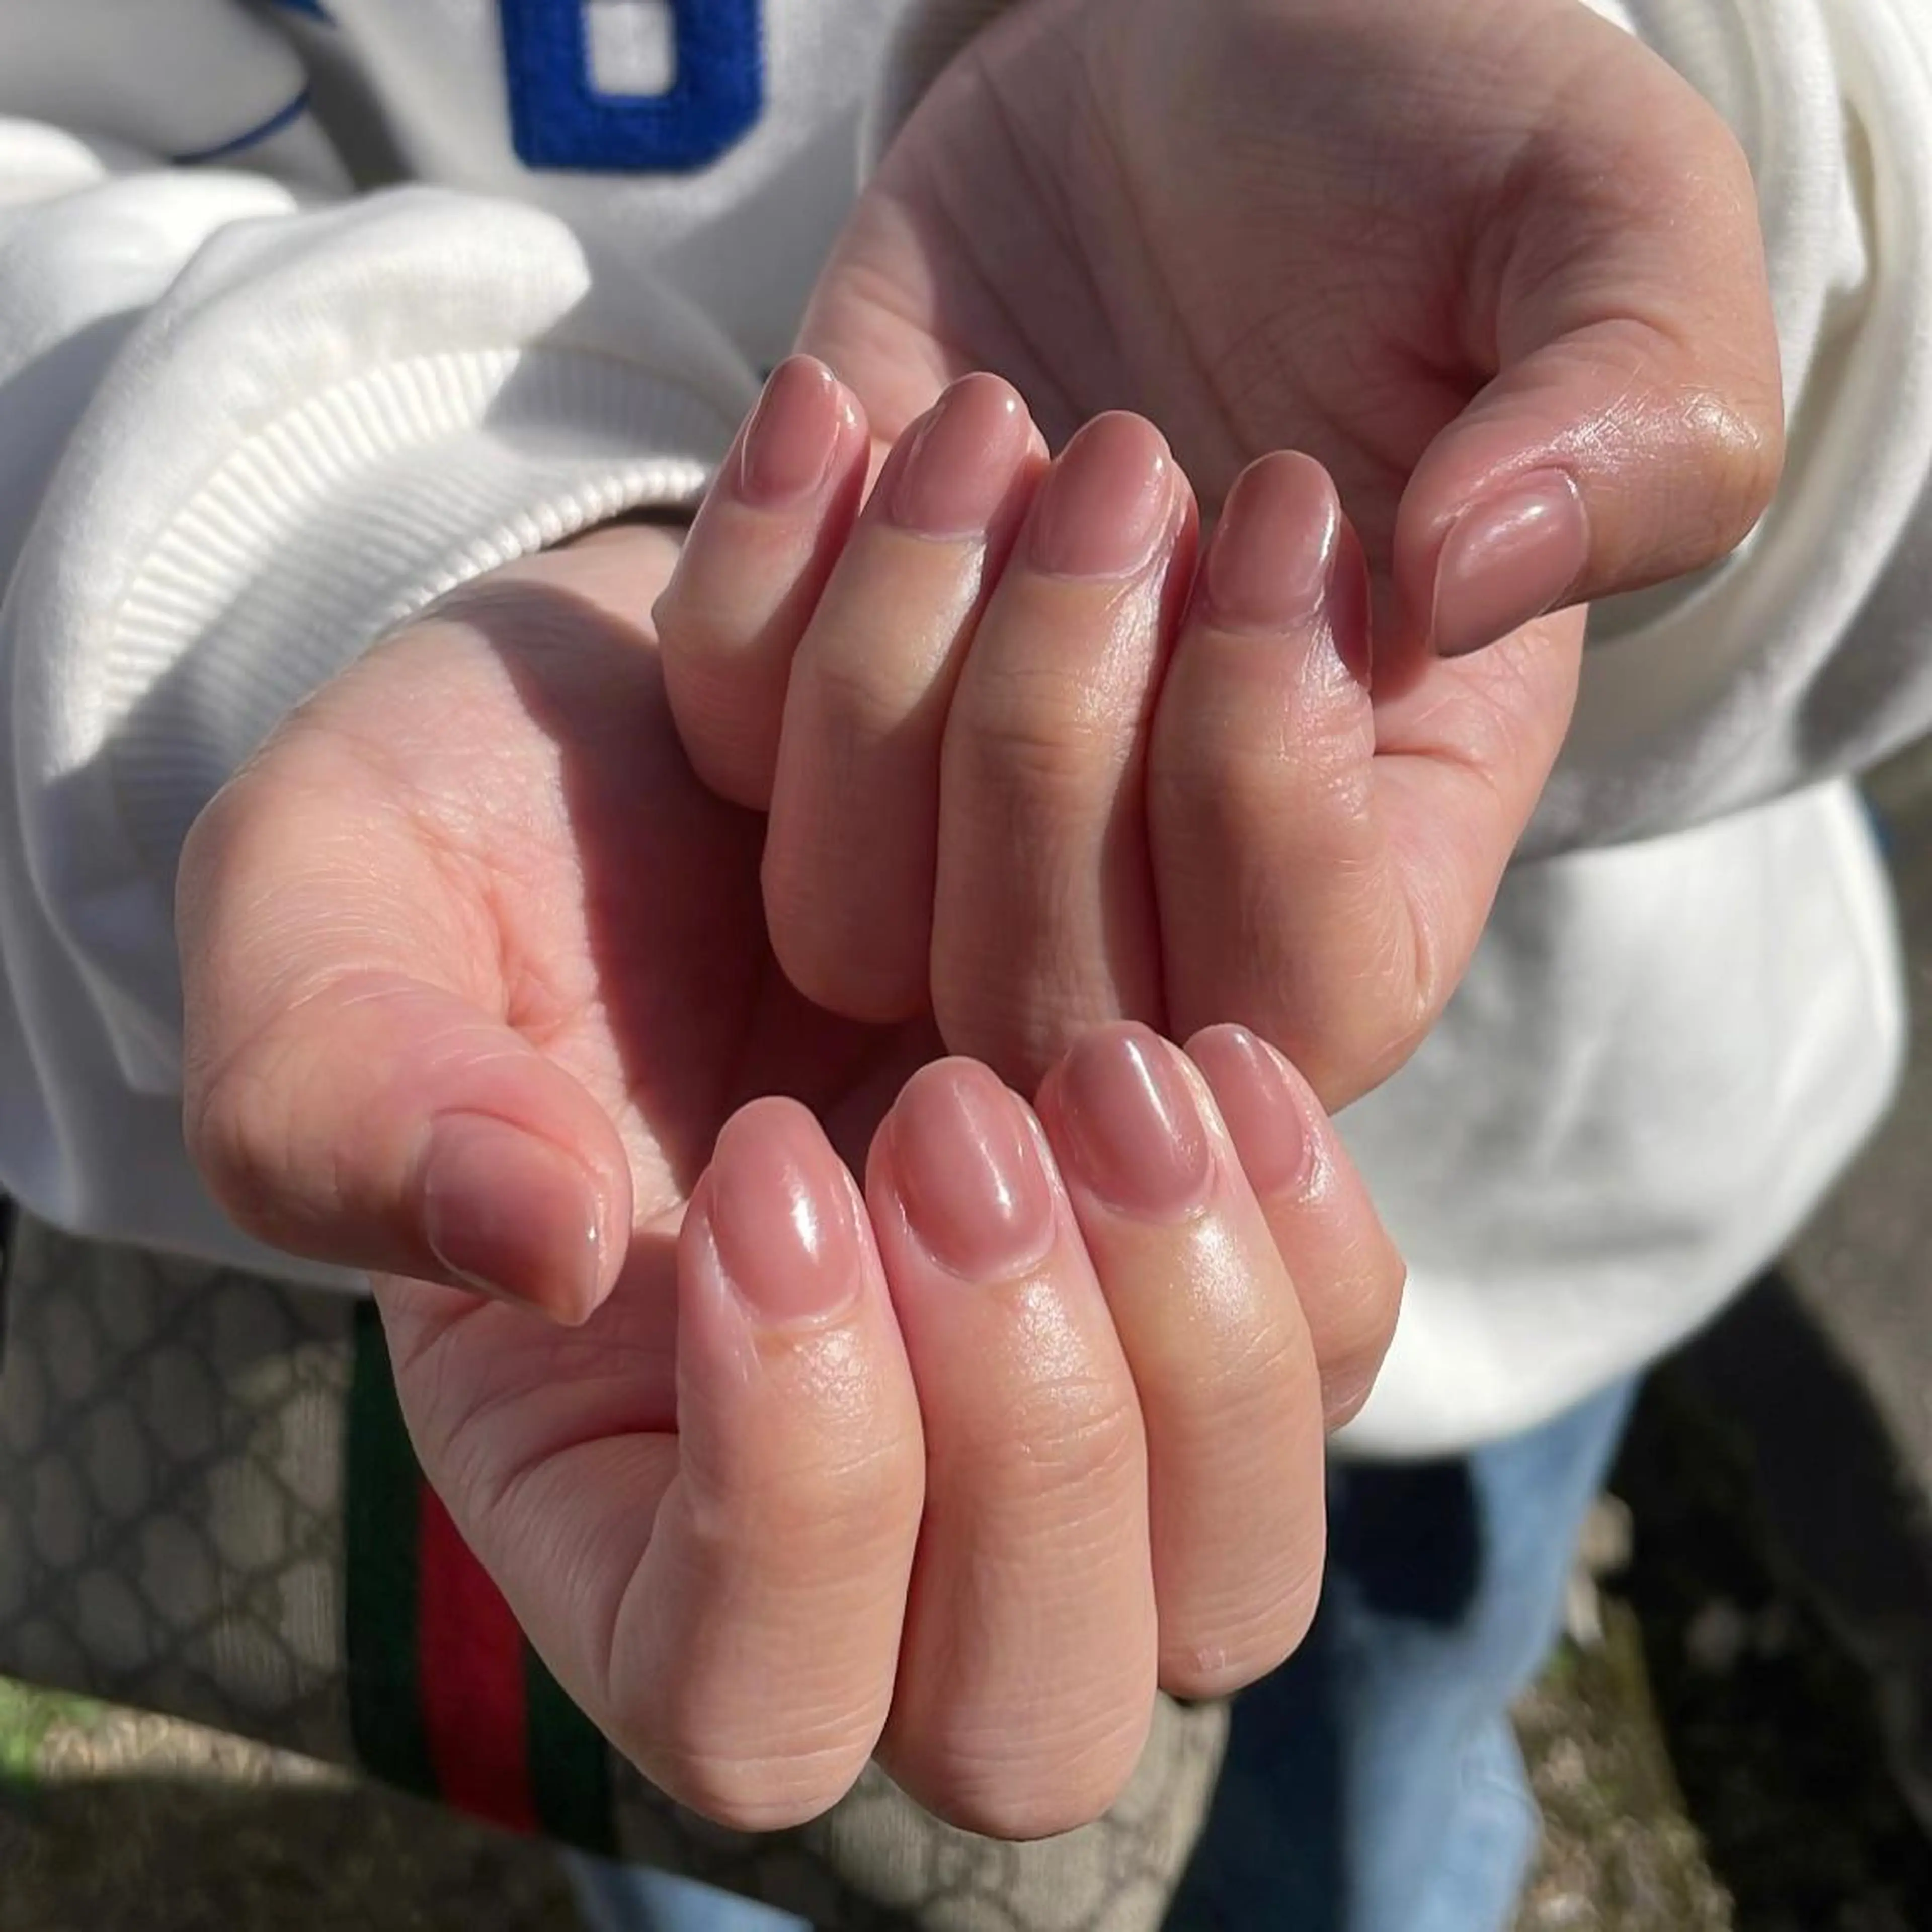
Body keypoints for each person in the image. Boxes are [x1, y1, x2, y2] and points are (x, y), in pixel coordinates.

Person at [2, 0, 1929, 1927]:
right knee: (758, 1768)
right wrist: (340, 567)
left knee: (1382, 1782)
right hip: (697, 1251)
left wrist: (1719, 136)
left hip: (1535, 1191)